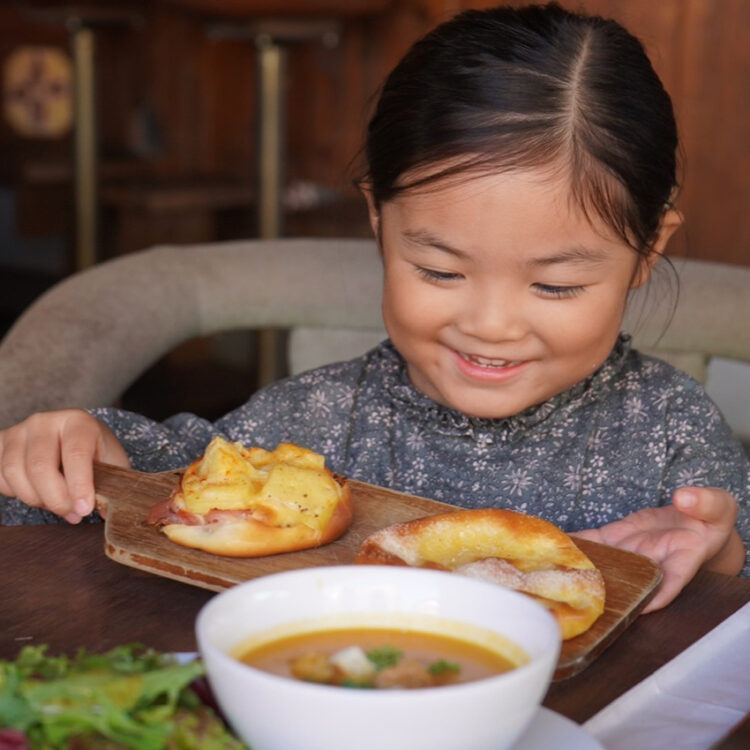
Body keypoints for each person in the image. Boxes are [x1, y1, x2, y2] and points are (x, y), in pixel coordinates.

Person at [0, 2, 747, 612]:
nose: (491, 325)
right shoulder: (315, 426)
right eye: (438, 269)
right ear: (379, 222)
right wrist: (77, 456)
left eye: (555, 286)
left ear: (649, 250)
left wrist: (723, 557)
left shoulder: (672, 434)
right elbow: (167, 493)